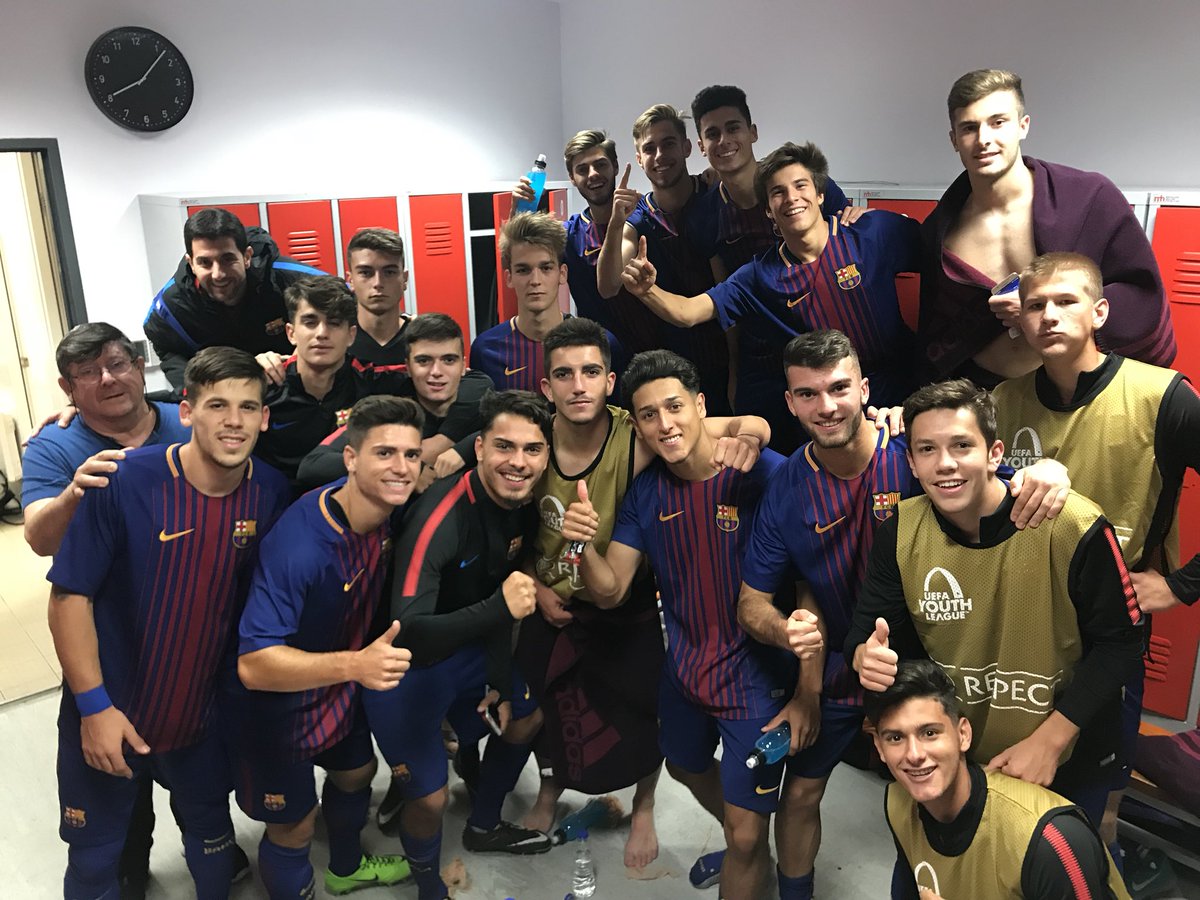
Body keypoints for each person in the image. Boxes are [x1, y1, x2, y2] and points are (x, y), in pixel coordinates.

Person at [519, 318, 771, 870]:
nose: (578, 385)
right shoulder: (531, 439)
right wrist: (536, 580)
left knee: (642, 711)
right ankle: (550, 788)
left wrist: (750, 437)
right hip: (552, 594)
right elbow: (506, 514)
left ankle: (646, 807)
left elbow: (745, 423)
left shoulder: (635, 432)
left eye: (591, 372)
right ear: (546, 386)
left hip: (626, 592)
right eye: (563, 374)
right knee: (546, 704)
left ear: (609, 382)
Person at [844, 378, 1144, 828]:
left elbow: (1122, 644)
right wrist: (865, 658)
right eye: (927, 449)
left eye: (962, 445)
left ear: (995, 453)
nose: (945, 463)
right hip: (960, 754)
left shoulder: (1071, 525)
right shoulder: (901, 532)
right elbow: (866, 633)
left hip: (1066, 747)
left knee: (1063, 861)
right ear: (912, 462)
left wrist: (1050, 741)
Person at [47, 347, 289, 900]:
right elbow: (68, 597)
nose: (233, 421)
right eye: (217, 405)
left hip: (200, 715)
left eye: (248, 407)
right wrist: (94, 708)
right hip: (111, 707)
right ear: (186, 411)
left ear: (264, 418)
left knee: (213, 842)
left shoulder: (270, 492)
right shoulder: (123, 480)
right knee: (94, 858)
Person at [991, 251, 1200, 866]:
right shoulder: (1003, 400)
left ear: (1100, 312)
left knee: (1095, 798)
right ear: (1020, 320)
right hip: (1022, 621)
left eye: (1066, 301)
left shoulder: (1162, 397)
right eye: (1035, 305)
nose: (1049, 316)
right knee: (1019, 783)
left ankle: (1096, 867)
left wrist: (1182, 586)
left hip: (1111, 628)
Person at [561, 350, 792, 900]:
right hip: (685, 670)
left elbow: (811, 573)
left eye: (674, 407)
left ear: (701, 405)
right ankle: (745, 840)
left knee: (745, 837)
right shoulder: (646, 492)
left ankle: (747, 846)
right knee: (685, 766)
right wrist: (580, 546)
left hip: (755, 680)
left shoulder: (764, 472)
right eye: (648, 415)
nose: (664, 424)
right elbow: (611, 589)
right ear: (638, 428)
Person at [736, 330, 918, 900]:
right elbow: (751, 603)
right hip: (839, 666)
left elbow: (995, 484)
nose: (827, 406)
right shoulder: (787, 488)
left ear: (864, 389)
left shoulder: (913, 451)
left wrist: (1044, 473)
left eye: (839, 388)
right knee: (798, 795)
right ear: (789, 403)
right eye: (808, 394)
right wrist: (788, 636)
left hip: (927, 665)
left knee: (934, 799)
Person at [363, 390, 553, 900]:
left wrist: (498, 677)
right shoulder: (441, 516)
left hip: (467, 652)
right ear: (480, 448)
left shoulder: (522, 503)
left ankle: (484, 823)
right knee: (430, 800)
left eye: (532, 449)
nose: (518, 462)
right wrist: (498, 610)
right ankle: (430, 888)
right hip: (404, 668)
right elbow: (408, 628)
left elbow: (494, 592)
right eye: (504, 447)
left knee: (525, 716)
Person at [233, 395, 425, 898]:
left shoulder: (383, 510)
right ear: (351, 458)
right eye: (384, 453)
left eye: (411, 455)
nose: (401, 468)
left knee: (358, 772)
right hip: (278, 706)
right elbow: (254, 664)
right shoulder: (301, 547)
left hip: (340, 686)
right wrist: (356, 665)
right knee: (294, 827)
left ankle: (345, 867)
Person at [622, 142, 921, 452]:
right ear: (768, 209)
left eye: (800, 186)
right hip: (823, 411)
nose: (791, 198)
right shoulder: (760, 275)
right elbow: (689, 312)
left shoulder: (872, 232)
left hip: (897, 404)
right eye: (778, 192)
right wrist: (648, 291)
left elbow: (938, 255)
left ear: (820, 194)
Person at [918, 68, 1174, 387]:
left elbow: (1141, 292)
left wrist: (1041, 308)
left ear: (1022, 126)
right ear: (954, 139)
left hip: (1072, 390)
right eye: (970, 127)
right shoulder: (940, 231)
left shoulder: (1089, 198)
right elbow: (934, 330)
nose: (984, 139)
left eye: (998, 122)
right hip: (982, 393)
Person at [868, 660, 1130, 900]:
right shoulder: (899, 805)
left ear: (963, 735)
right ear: (880, 748)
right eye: (895, 738)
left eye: (929, 733)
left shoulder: (1050, 839)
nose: (914, 754)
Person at [596, 103, 732, 412]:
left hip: (728, 355)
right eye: (649, 148)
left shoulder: (715, 194)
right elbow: (608, 286)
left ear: (686, 147)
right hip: (671, 367)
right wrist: (615, 223)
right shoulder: (638, 220)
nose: (659, 155)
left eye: (668, 143)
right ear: (639, 158)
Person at [23, 323, 192, 557]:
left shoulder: (191, 425)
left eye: (117, 364)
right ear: (67, 387)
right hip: (107, 577)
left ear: (140, 368)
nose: (107, 379)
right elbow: (40, 543)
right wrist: (74, 495)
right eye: (88, 372)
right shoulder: (50, 446)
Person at [297, 312, 493, 490]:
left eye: (448, 360)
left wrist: (466, 447)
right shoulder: (386, 414)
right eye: (423, 361)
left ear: (463, 366)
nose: (436, 372)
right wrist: (403, 466)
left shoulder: (483, 404)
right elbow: (312, 466)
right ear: (407, 367)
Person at [515, 130, 663, 354]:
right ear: (572, 178)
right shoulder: (569, 234)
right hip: (598, 358)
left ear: (615, 166)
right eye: (582, 169)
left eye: (600, 165)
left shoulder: (646, 215)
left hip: (657, 356)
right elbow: (521, 256)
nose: (593, 174)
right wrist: (518, 209)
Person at [143, 207, 324, 389]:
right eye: (205, 263)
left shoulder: (289, 279)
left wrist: (301, 358)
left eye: (227, 259)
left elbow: (339, 307)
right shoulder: (171, 307)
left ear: (246, 257)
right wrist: (195, 391)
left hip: (293, 386)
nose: (218, 274)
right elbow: (168, 348)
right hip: (226, 394)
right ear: (191, 263)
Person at [252, 275, 407, 485]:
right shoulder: (262, 385)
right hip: (275, 498)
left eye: (334, 323)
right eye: (310, 322)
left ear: (351, 335)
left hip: (348, 497)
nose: (322, 333)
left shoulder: (375, 381)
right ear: (291, 333)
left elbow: (444, 379)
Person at [470, 212, 622, 394]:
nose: (535, 280)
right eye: (523, 270)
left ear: (562, 274)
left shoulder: (601, 343)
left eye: (546, 268)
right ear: (509, 278)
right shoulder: (486, 350)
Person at [345, 227, 412, 366]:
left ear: (404, 279)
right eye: (365, 273)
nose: (378, 283)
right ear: (351, 281)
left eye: (389, 272)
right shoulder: (337, 343)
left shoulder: (423, 339)